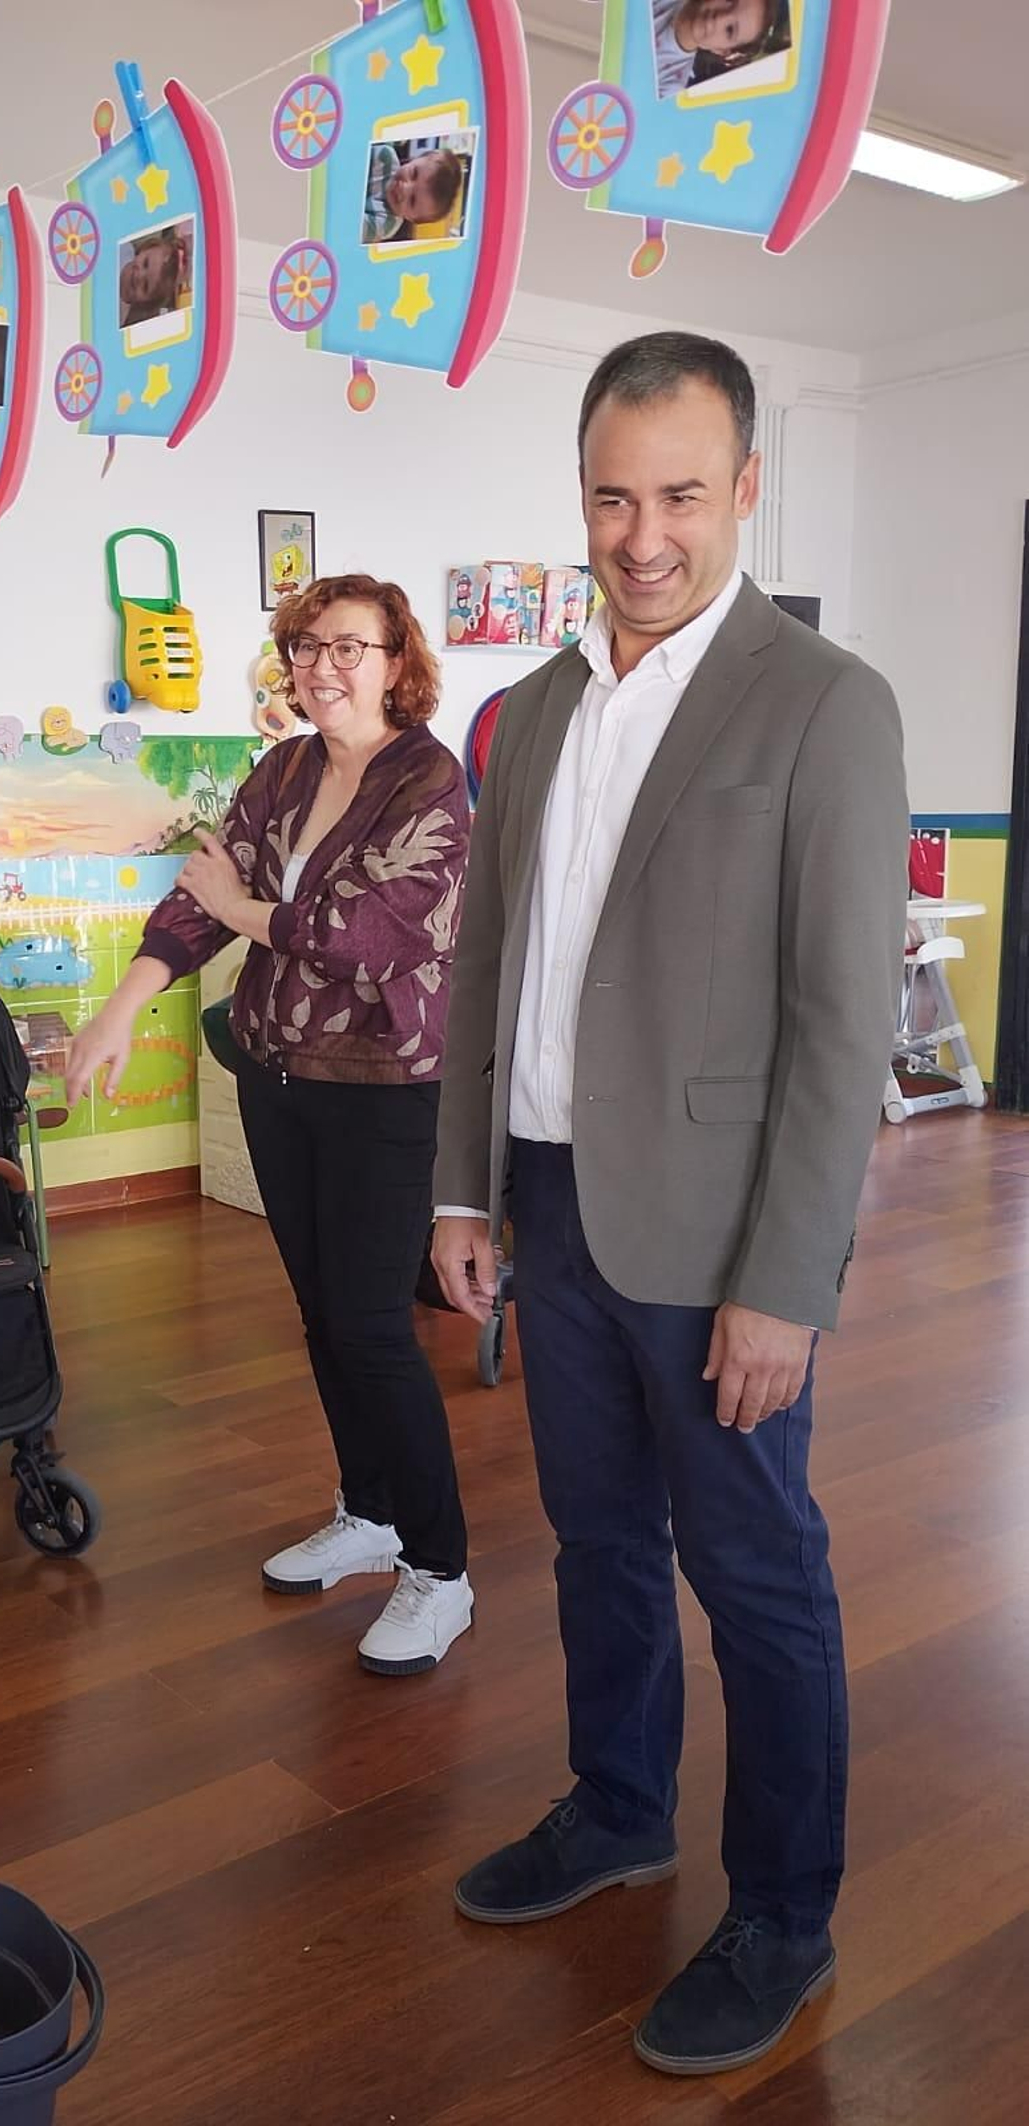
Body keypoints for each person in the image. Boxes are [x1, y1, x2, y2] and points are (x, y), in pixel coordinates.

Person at [430, 333, 908, 2074]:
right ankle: (621, 1804)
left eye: (683, 496)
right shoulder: (539, 707)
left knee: (759, 1576)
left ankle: (783, 1910)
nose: (645, 536)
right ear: (581, 495)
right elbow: (492, 963)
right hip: (550, 1210)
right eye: (614, 498)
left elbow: (841, 1021)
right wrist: (466, 1188)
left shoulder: (824, 700)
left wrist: (788, 1281)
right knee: (600, 1542)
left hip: (717, 1239)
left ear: (747, 488)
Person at [66, 575, 475, 1675]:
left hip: (383, 1081)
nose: (321, 666)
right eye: (304, 646)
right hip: (278, 1072)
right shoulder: (284, 770)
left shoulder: (428, 780)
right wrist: (122, 1003)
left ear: (396, 660)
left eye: (348, 646)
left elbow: (368, 937)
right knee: (322, 1317)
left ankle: (440, 1568)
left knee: (374, 1327)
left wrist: (243, 907)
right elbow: (200, 895)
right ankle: (371, 1511)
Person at [650, 0, 791, 99]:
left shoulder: (669, 86)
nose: (719, 18)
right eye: (729, 0)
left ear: (721, 50)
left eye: (729, 30)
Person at [363, 142, 462, 243]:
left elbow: (354, 226)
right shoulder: (385, 157)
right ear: (413, 159)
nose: (404, 188)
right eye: (414, 173)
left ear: (411, 218)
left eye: (412, 200)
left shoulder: (387, 224)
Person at [119, 229, 188, 327]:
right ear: (145, 249)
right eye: (145, 263)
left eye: (145, 286)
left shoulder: (117, 317)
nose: (139, 276)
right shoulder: (122, 247)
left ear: (146, 303)